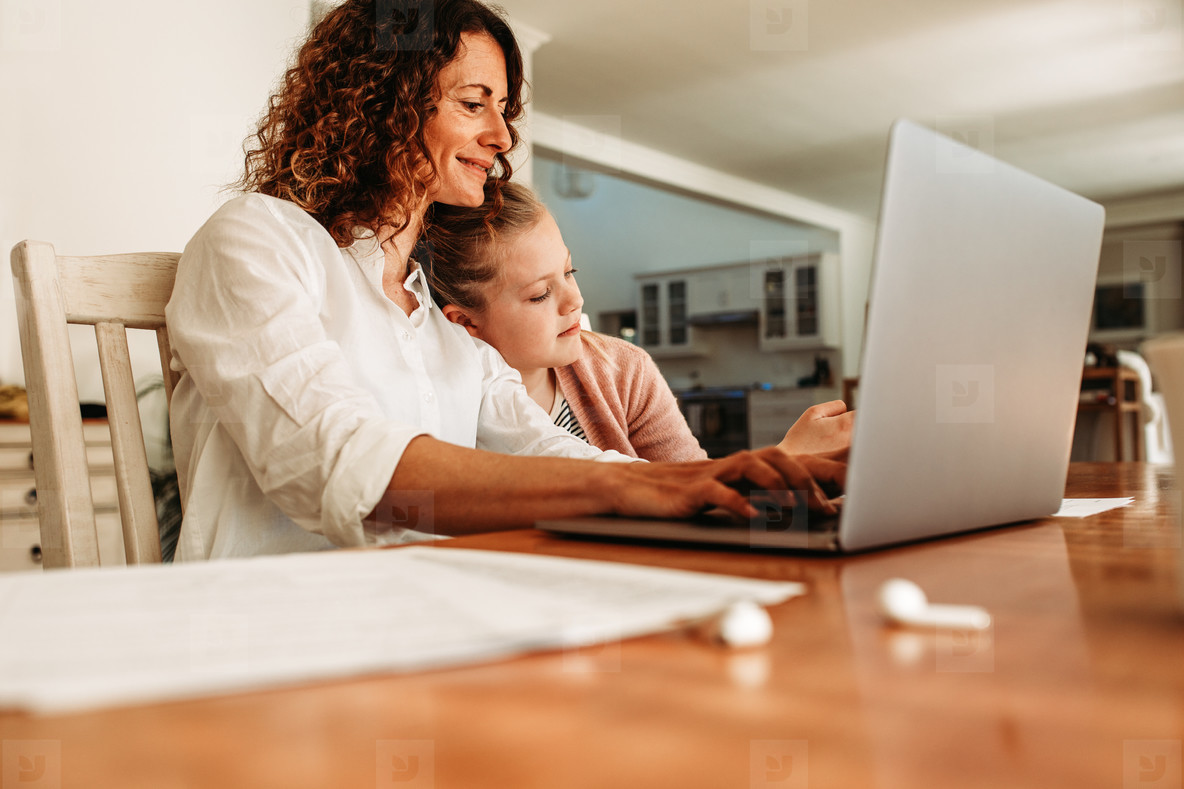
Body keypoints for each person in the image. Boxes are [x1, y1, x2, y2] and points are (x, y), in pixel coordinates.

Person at [165, 0, 845, 561]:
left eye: (503, 108)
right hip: (266, 644)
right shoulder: (257, 240)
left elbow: (548, 450)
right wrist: (660, 488)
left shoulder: (445, 322)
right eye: (473, 103)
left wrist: (729, 482)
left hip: (420, 627)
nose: (501, 136)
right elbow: (339, 461)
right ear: (385, 104)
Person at [425, 181, 853, 462]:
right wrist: (782, 461)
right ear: (465, 322)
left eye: (570, 273)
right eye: (540, 294)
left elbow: (691, 483)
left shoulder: (624, 370)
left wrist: (783, 463)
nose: (575, 300)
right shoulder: (442, 404)